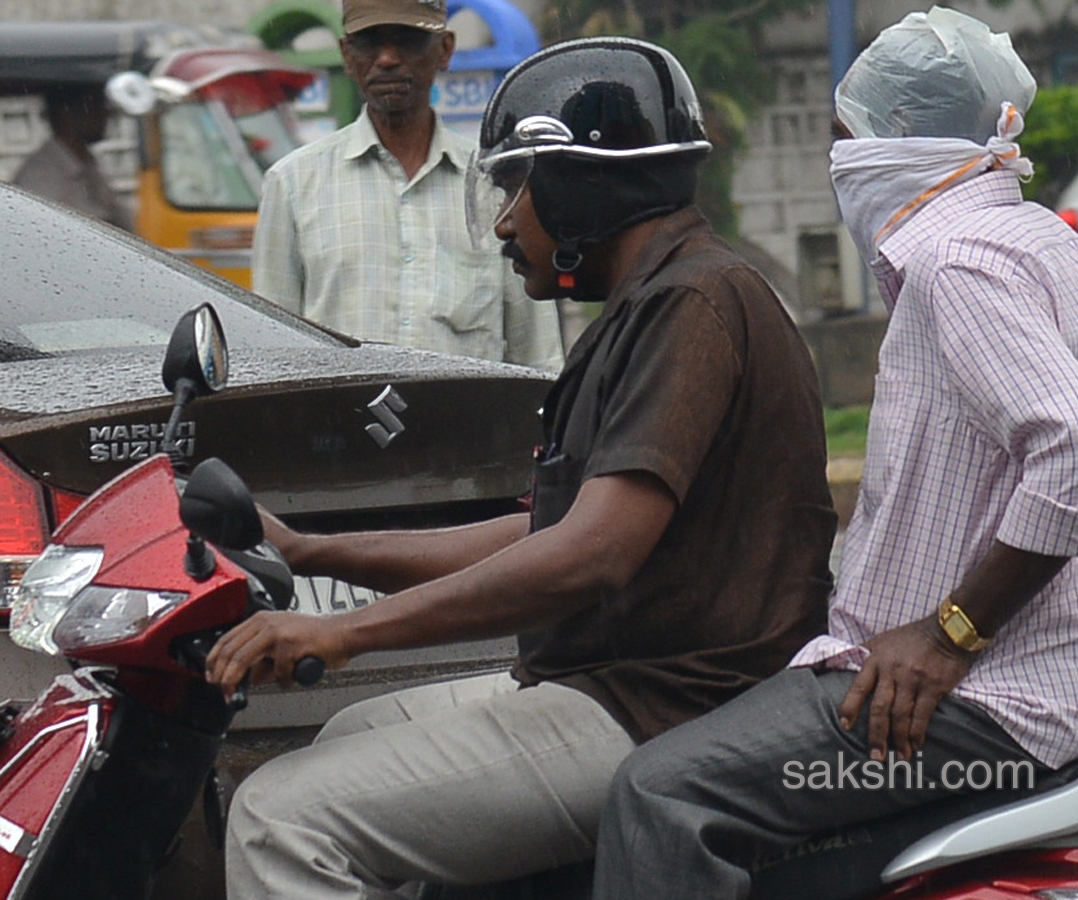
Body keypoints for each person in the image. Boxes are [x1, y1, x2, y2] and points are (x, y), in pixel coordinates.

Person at [208, 36, 838, 898]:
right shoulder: (653, 302)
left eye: (517, 189)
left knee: (280, 817)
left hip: (665, 708)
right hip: (616, 685)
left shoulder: (692, 306)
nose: (504, 222)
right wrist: (313, 550)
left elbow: (589, 555)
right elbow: (547, 528)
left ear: (582, 185)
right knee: (348, 735)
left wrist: (343, 631)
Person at [591, 8, 1078, 899]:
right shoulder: (1067, 253)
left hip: (975, 718)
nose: (838, 161)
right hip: (1063, 710)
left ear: (900, 139)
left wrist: (956, 635)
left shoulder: (958, 264)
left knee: (659, 794)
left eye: (847, 138)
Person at [251, 0, 563, 369]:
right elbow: (271, 351)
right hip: (335, 425)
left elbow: (538, 356)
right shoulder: (292, 184)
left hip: (467, 424)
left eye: (407, 40)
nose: (387, 59)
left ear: (445, 49)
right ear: (346, 56)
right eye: (369, 42)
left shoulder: (497, 183)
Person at [13, 82, 133, 230]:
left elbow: (121, 217)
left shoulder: (87, 165)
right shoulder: (40, 176)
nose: (105, 115)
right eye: (95, 107)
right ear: (67, 114)